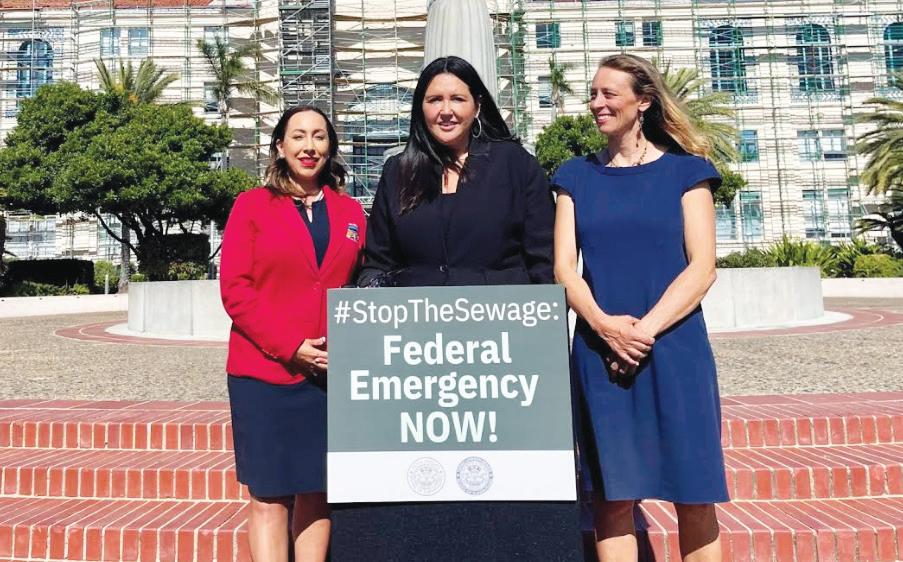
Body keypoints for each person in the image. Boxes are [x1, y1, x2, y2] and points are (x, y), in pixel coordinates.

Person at [331, 55, 582, 560]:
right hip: (416, 366)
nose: (446, 110)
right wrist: (368, 311)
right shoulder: (398, 171)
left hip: (503, 362)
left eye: (457, 99)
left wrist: (545, 342)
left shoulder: (515, 165)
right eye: (434, 99)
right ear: (420, 108)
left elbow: (542, 260)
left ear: (477, 106)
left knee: (500, 501)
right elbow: (378, 260)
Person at [552, 54, 728, 562]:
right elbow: (564, 268)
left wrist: (640, 332)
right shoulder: (573, 177)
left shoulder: (688, 172)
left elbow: (702, 268)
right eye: (593, 94)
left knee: (695, 494)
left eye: (608, 93)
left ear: (644, 101)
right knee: (612, 498)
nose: (596, 103)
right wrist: (606, 327)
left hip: (676, 350)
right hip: (599, 354)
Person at [219, 106, 366, 562]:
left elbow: (363, 283)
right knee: (269, 497)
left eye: (319, 136)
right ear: (280, 146)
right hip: (264, 374)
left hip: (327, 377)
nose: (309, 146)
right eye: (298, 136)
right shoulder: (251, 206)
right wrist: (290, 346)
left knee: (318, 492)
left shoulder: (351, 212)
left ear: (331, 146)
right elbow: (235, 289)